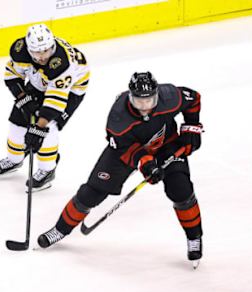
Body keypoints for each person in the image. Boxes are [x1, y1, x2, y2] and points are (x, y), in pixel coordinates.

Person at [37, 72, 204, 263]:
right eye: (139, 101)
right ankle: (60, 230)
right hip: (128, 151)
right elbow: (127, 150)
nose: (145, 106)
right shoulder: (118, 118)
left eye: (150, 100)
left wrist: (191, 128)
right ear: (130, 97)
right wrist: (147, 164)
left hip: (167, 145)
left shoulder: (169, 96)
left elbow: (193, 98)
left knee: (181, 190)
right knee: (91, 193)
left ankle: (194, 237)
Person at [0, 23, 90, 192]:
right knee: (17, 121)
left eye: (46, 51)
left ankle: (47, 169)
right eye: (36, 52)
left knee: (49, 127)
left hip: (71, 89)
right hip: (41, 82)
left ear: (52, 46)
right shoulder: (20, 51)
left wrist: (38, 128)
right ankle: (14, 159)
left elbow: (55, 100)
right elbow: (12, 75)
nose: (42, 56)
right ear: (29, 49)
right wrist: (24, 100)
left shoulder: (61, 63)